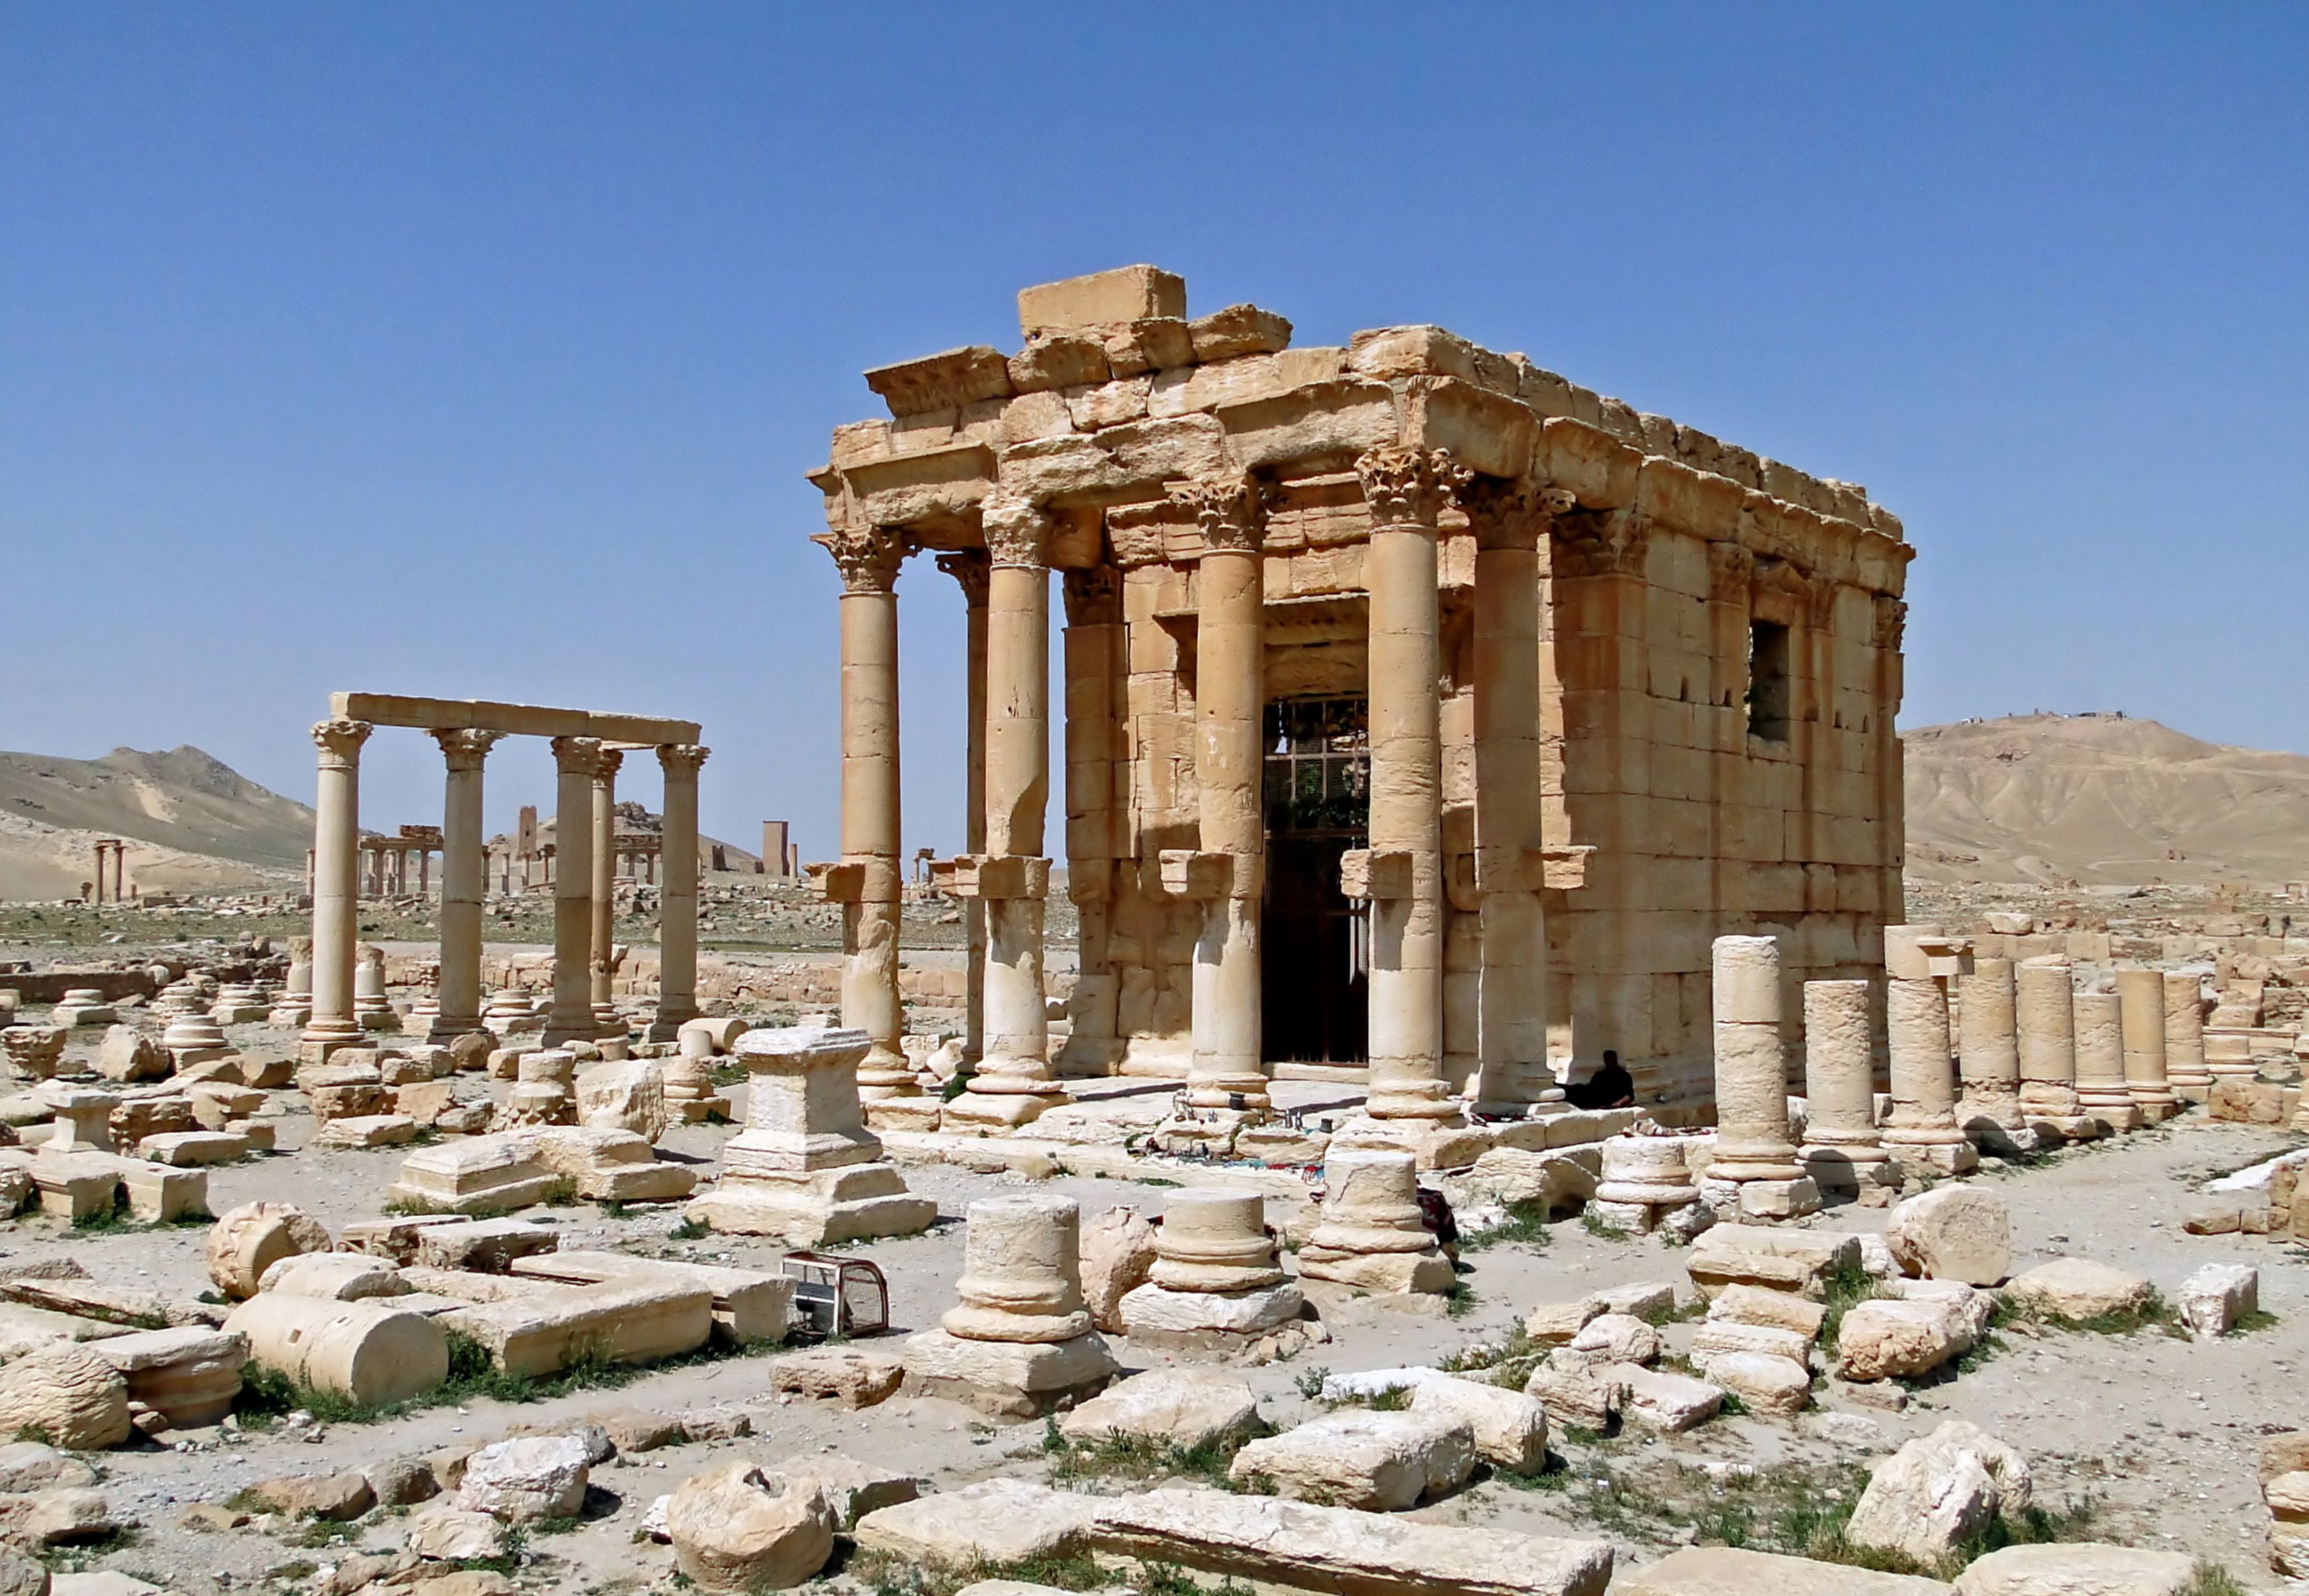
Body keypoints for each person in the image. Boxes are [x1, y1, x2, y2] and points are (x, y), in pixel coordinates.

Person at [1564, 1048, 1634, 1110]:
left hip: (1611, 1102)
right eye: (1610, 1060)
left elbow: (1630, 1095)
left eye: (1614, 1059)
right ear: (1605, 1061)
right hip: (1599, 1101)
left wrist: (1619, 1103)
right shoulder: (1600, 1075)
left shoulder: (1624, 1076)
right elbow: (1591, 1090)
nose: (1612, 1062)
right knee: (1576, 1089)